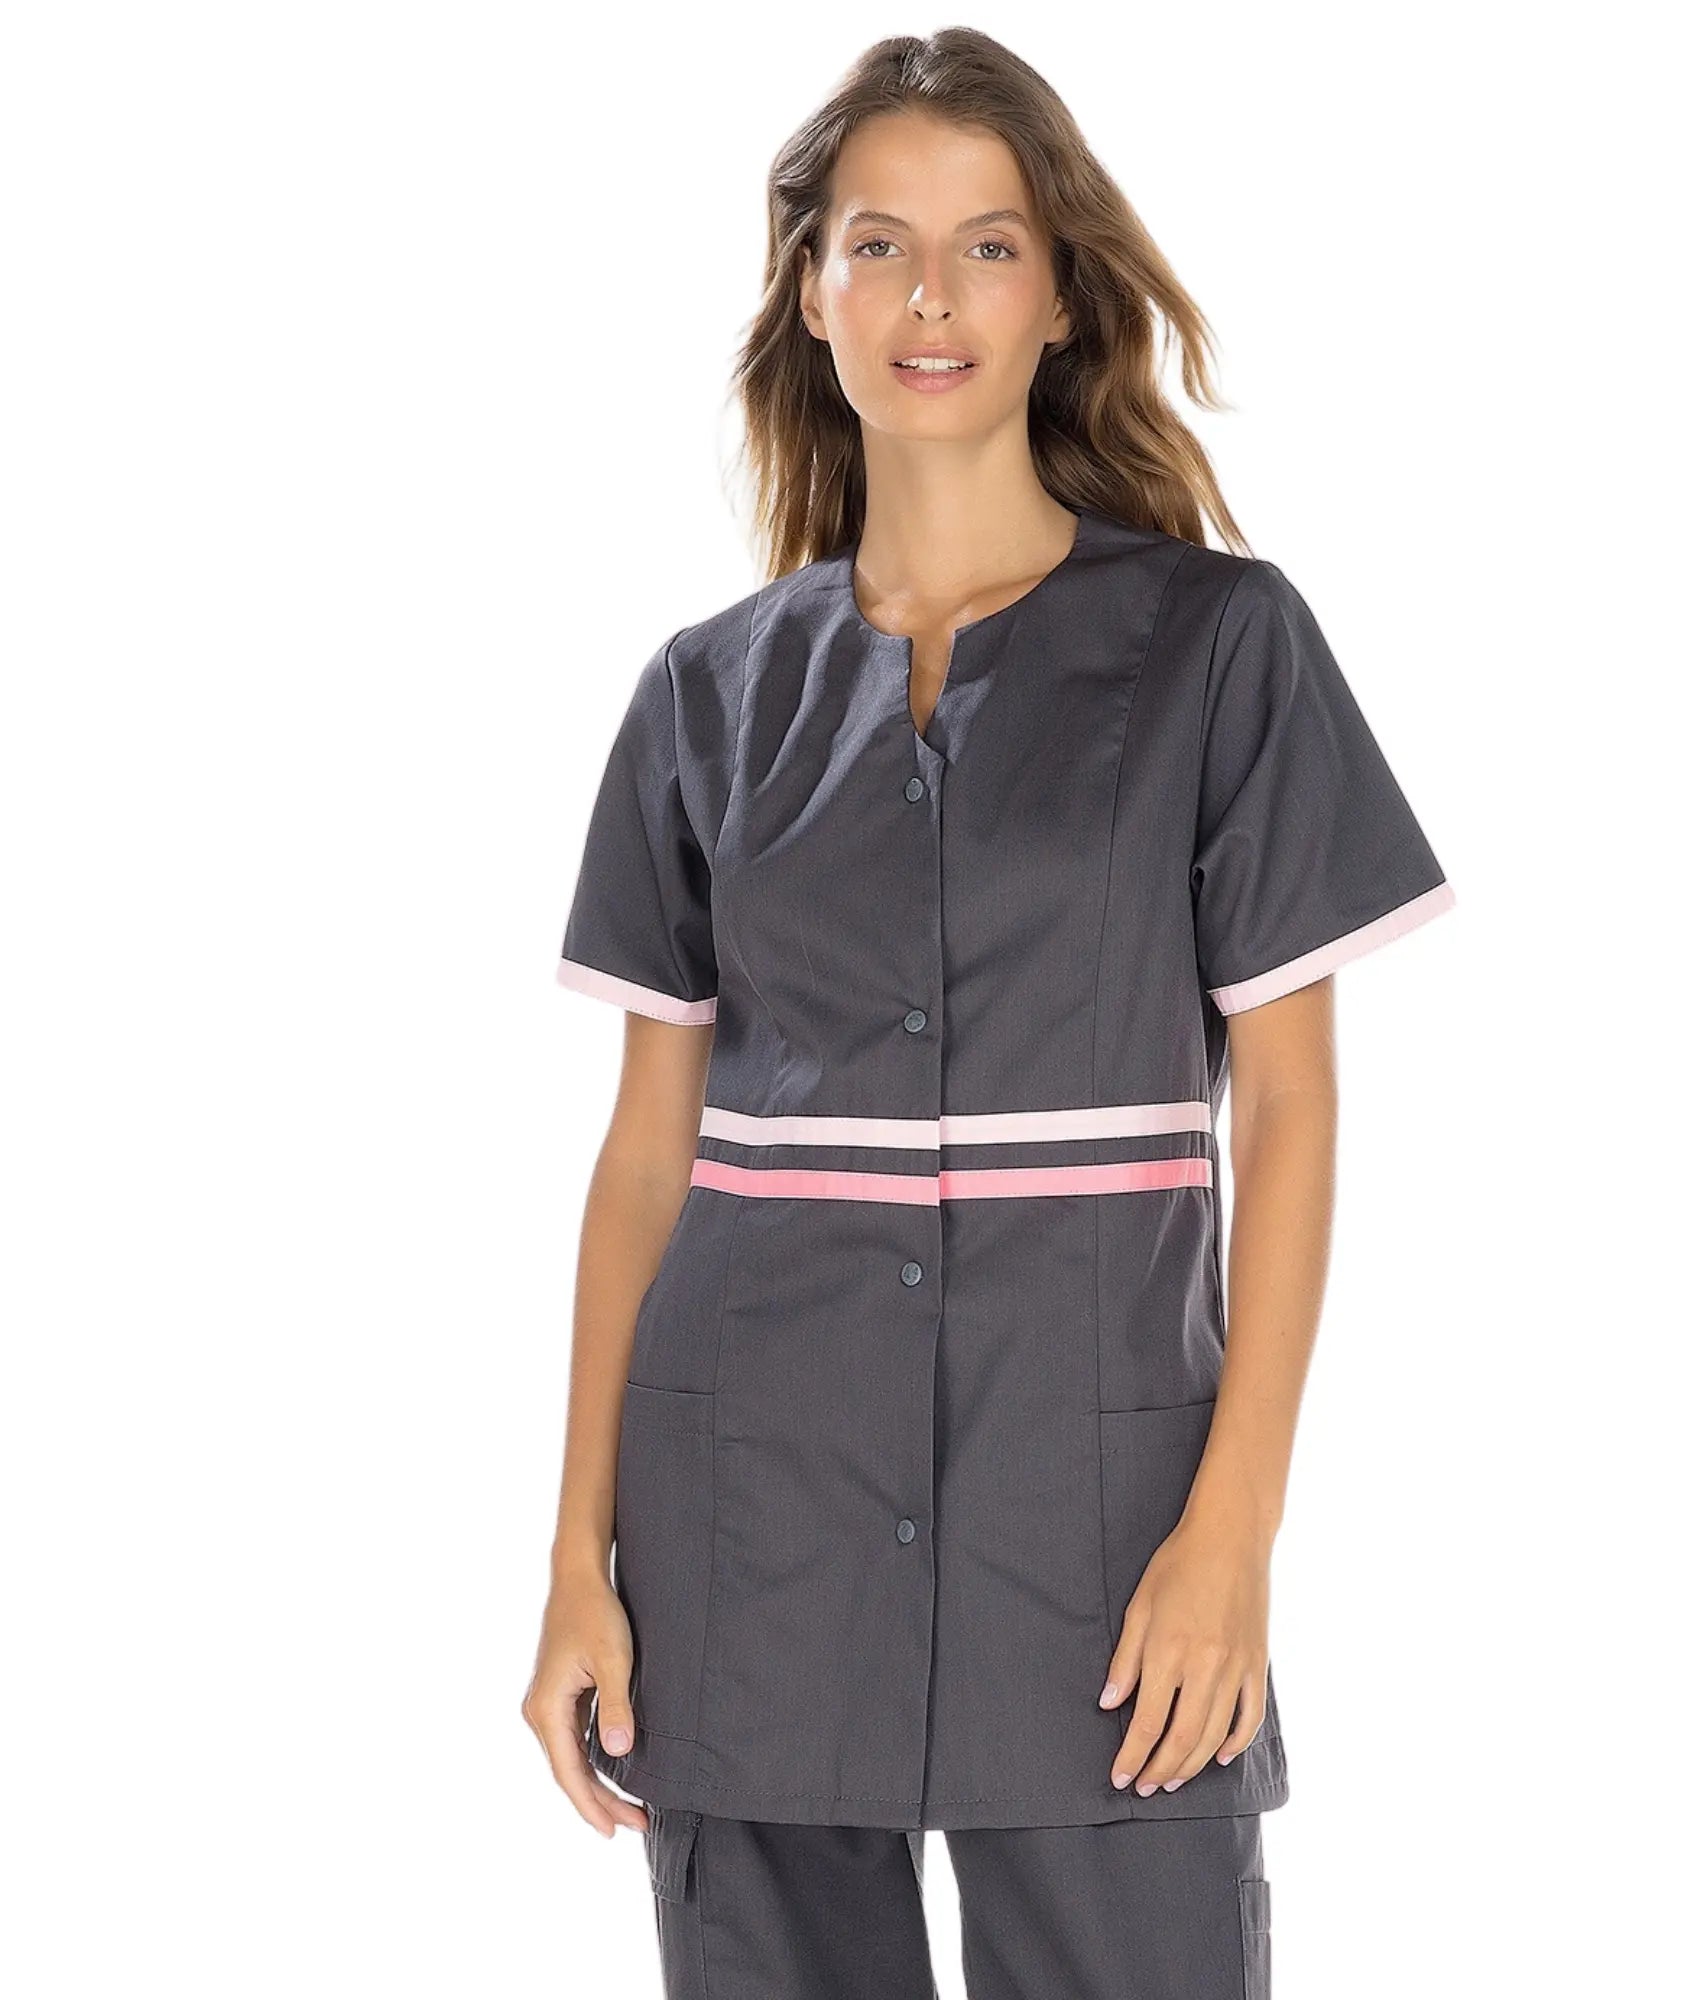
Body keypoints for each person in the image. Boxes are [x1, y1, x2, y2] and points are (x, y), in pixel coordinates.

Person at [522, 27, 1456, 1998]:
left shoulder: (1223, 649)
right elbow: (644, 1159)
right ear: (812, 292)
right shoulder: (706, 694)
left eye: (988, 247)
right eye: (878, 244)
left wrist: (1234, 1532)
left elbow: (1288, 1108)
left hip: (1102, 1540)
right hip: (746, 1534)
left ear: (1059, 296)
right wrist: (575, 1558)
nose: (929, 297)